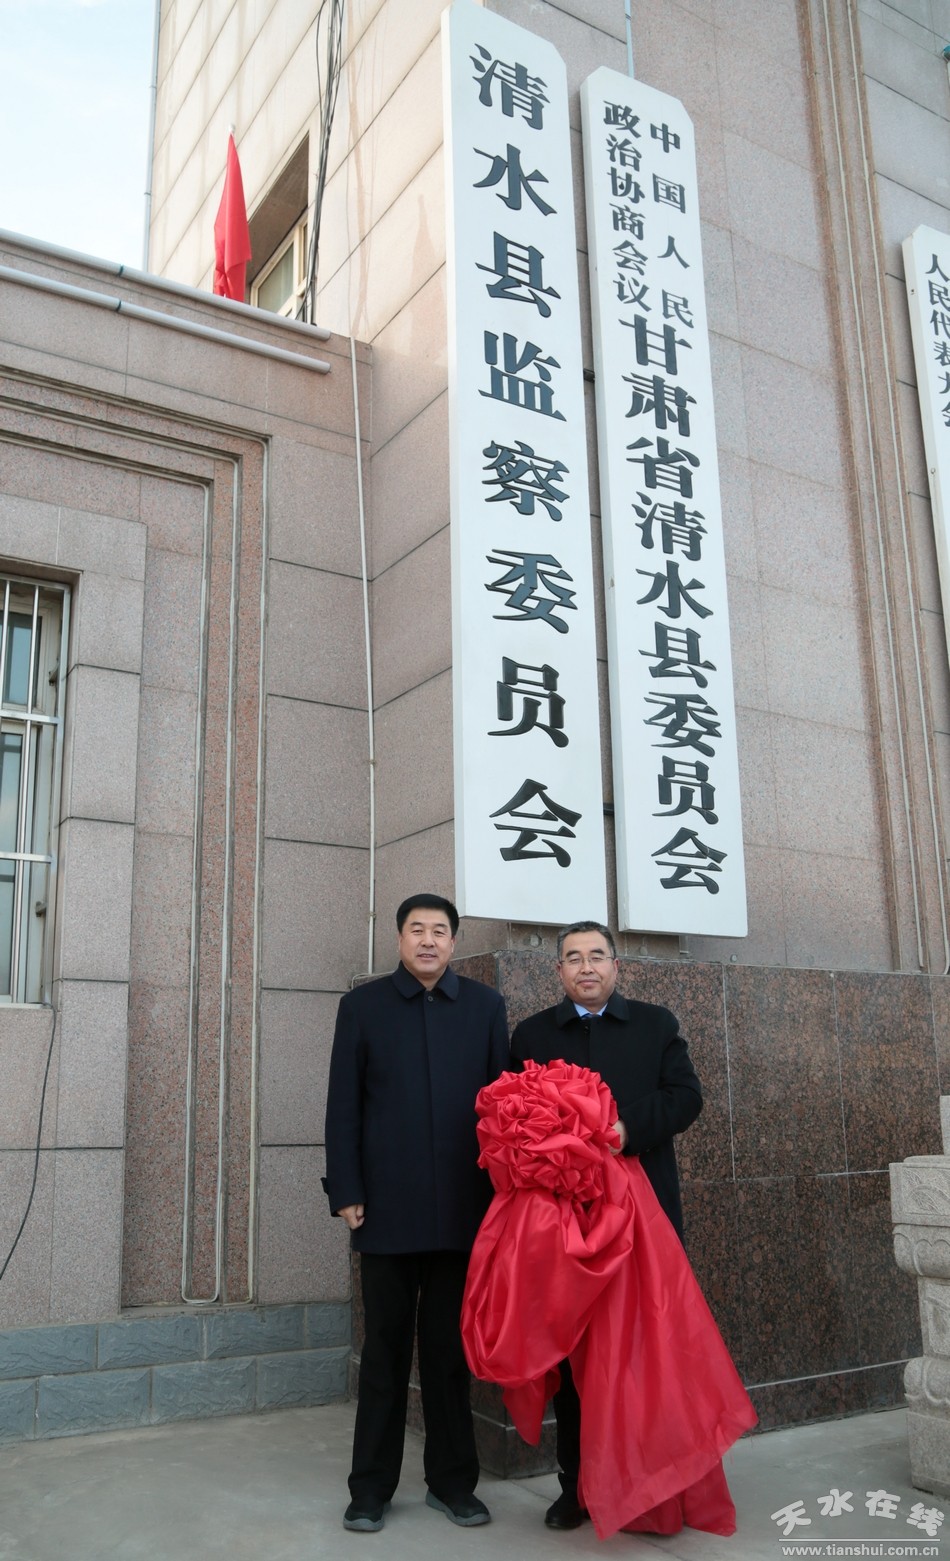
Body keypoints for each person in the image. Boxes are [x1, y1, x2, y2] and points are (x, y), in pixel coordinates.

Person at [323, 893, 509, 1533]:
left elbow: (503, 1108)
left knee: (448, 1353)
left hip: (464, 1208)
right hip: (385, 1209)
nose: (428, 940)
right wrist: (346, 1189)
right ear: (400, 938)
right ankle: (370, 1489)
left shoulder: (484, 1007)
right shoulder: (363, 1007)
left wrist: (504, 1196)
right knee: (384, 1352)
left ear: (454, 942)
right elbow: (343, 1105)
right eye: (416, 930)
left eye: (440, 931)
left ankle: (453, 1484)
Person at [509, 919, 702, 1531]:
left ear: (617, 966)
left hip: (644, 1217)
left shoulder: (655, 1024)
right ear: (559, 970)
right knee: (574, 1358)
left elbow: (686, 1096)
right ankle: (578, 1487)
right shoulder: (532, 1035)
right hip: (565, 1223)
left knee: (645, 1351)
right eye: (574, 958)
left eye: (597, 955)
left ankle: (651, 1484)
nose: (586, 967)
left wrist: (626, 1128)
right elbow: (513, 1115)